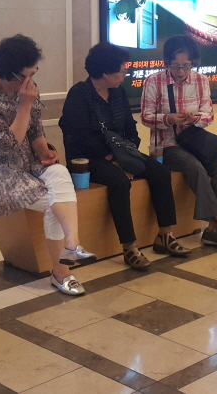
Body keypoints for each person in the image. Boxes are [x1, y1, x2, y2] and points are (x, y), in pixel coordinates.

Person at [0, 35, 96, 296]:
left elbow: (35, 131)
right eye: (27, 75)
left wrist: (43, 150)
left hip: (29, 165)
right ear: (10, 74)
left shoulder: (27, 88)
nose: (31, 80)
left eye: (33, 73)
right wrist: (25, 105)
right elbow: (8, 144)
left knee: (60, 172)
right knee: (53, 203)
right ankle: (61, 272)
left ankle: (72, 243)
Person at [60, 42, 190, 270]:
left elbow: (130, 127)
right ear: (105, 73)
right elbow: (81, 137)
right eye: (121, 71)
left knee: (160, 172)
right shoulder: (79, 94)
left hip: (121, 152)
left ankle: (165, 234)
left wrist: (129, 155)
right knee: (119, 181)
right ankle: (129, 246)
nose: (124, 75)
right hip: (88, 159)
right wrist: (116, 161)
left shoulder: (118, 92)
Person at [141, 36, 217, 249]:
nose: (181, 71)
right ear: (167, 62)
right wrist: (168, 119)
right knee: (196, 168)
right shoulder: (154, 81)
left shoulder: (201, 81)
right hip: (168, 146)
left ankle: (211, 230)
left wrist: (195, 119)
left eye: (186, 65)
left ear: (193, 62)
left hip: (196, 143)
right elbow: (146, 117)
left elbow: (209, 115)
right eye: (175, 66)